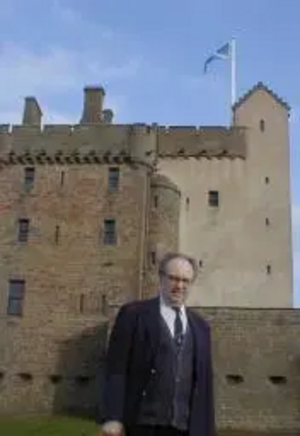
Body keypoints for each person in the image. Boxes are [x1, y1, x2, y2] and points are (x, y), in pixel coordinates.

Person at [96, 252, 215, 436]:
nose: (180, 286)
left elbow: (205, 387)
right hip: (141, 426)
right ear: (161, 278)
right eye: (174, 279)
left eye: (185, 281)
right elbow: (115, 370)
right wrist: (112, 417)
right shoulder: (133, 315)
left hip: (185, 428)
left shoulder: (201, 328)